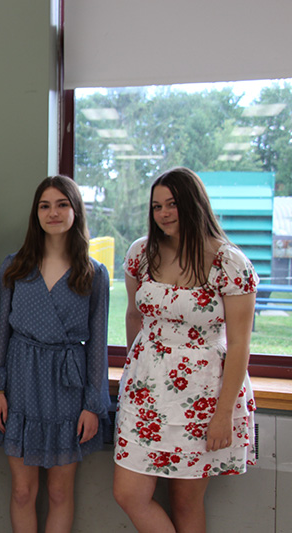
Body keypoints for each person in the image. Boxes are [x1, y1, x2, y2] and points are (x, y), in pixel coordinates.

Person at [113, 167, 258, 532]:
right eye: (157, 206)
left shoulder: (229, 262)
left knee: (186, 500)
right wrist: (138, 374)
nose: (163, 213)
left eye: (172, 204)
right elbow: (134, 315)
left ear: (194, 204)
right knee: (129, 493)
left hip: (204, 397)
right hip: (146, 393)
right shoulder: (141, 253)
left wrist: (223, 414)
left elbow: (240, 344)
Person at [0, 175, 110, 533]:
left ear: (75, 211)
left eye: (61, 204)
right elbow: (1, 336)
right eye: (44, 205)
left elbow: (99, 344)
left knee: (59, 492)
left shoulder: (93, 273)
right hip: (21, 383)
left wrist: (92, 404)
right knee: (23, 492)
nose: (53, 213)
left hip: (68, 390)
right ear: (35, 213)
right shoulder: (14, 267)